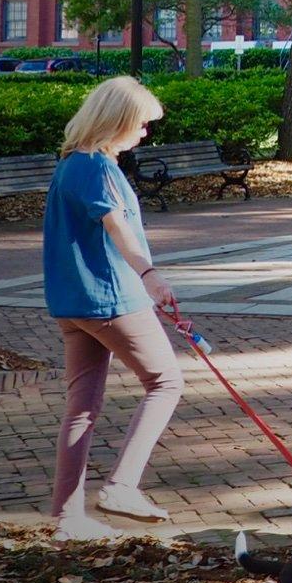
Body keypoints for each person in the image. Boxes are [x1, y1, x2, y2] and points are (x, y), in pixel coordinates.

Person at [44, 77, 185, 542]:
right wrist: (150, 275)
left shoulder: (71, 165)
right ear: (118, 120)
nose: (144, 133)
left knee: (81, 407)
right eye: (141, 124)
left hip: (74, 304)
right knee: (166, 381)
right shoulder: (95, 167)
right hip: (110, 298)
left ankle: (68, 519)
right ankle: (122, 486)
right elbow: (117, 227)